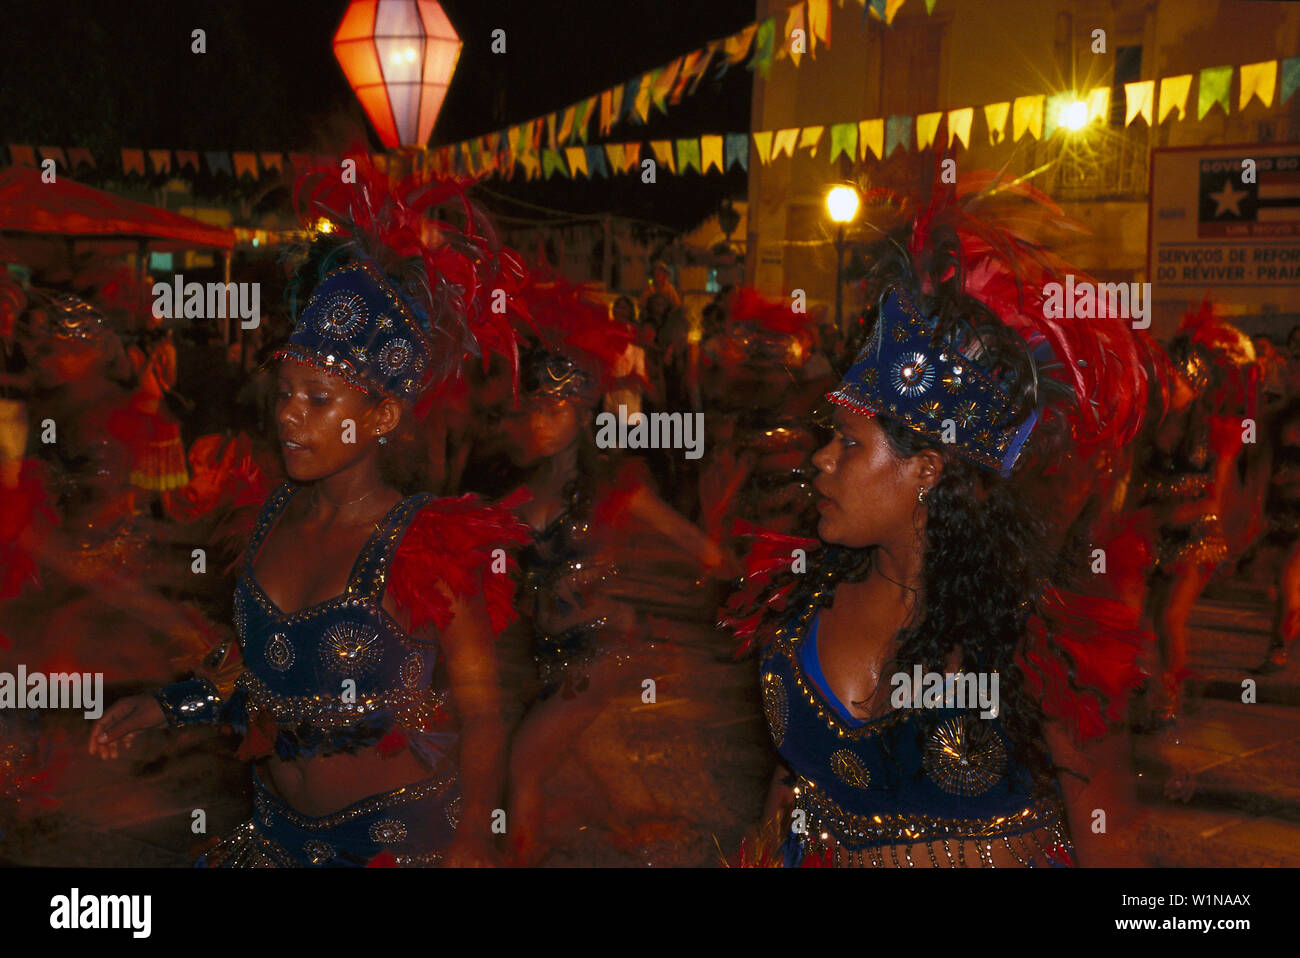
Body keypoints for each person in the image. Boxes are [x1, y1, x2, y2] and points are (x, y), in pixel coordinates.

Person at [87, 161, 533, 867]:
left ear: (382, 414)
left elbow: (481, 714)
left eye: (318, 399)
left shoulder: (426, 547)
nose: (289, 415)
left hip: (396, 843)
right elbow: (263, 675)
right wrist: (172, 707)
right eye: (285, 391)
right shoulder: (265, 521)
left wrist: (476, 837)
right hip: (274, 838)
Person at [723, 174, 1152, 867]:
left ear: (926, 469)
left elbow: (1114, 842)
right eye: (828, 439)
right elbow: (790, 789)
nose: (821, 462)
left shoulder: (1036, 638)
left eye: (850, 444)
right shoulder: (797, 599)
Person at [496, 279, 737, 864]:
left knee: (521, 765)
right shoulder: (519, 497)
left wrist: (738, 570)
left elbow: (692, 543)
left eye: (554, 411)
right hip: (549, 660)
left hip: (599, 657)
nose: (539, 423)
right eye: (532, 410)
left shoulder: (613, 487)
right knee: (609, 795)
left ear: (583, 416)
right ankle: (665, 848)